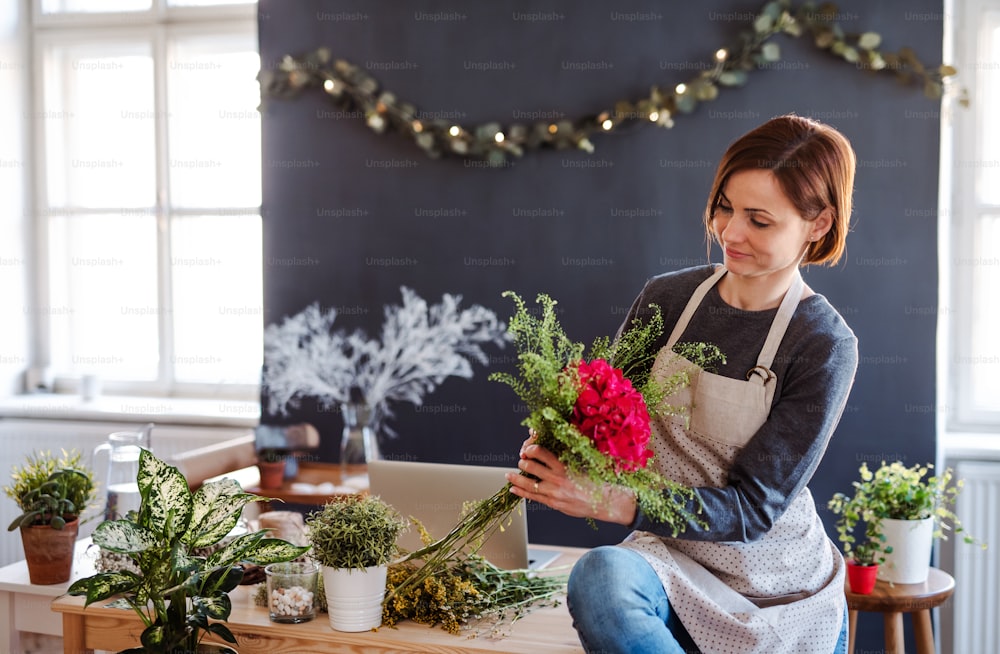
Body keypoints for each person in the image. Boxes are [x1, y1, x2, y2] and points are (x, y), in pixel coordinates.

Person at [506, 114, 857, 654]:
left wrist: (622, 504)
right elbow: (602, 417)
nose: (729, 233)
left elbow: (753, 509)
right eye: (724, 207)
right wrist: (559, 440)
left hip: (779, 595)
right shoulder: (668, 300)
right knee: (599, 577)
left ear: (818, 224)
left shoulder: (823, 343)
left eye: (759, 220)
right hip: (671, 564)